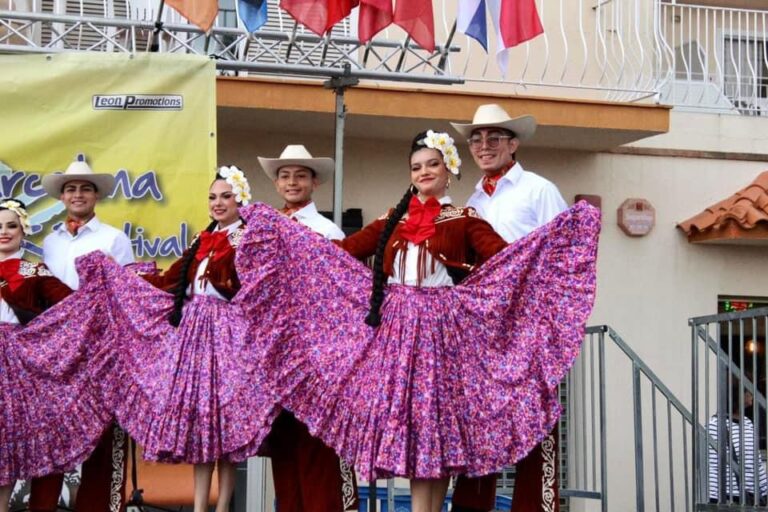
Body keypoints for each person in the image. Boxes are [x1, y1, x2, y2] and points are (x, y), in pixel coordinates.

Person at [233, 131, 599, 512]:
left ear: (448, 170)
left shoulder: (464, 218)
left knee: (434, 429)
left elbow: (505, 260)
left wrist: (558, 242)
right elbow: (341, 253)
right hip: (398, 332)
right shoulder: (393, 219)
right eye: (416, 167)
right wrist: (283, 238)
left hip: (439, 331)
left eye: (432, 164)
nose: (424, 172)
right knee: (408, 428)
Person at [449, 104, 568, 512]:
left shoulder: (539, 189)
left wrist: (550, 327)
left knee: (537, 426)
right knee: (479, 425)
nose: (484, 146)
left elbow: (561, 260)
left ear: (513, 144)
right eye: (477, 139)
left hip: (528, 327)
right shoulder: (469, 200)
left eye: (494, 137)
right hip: (482, 330)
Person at [258, 145, 357, 511]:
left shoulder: (325, 230)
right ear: (276, 182)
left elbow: (339, 294)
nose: (292, 182)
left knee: (319, 453)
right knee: (284, 453)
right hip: (278, 354)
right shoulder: (265, 228)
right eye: (285, 176)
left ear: (314, 182)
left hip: (316, 356)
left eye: (300, 175)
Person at [36, 154, 135, 512]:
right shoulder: (50, 242)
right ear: (62, 197)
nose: (78, 194)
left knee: (105, 434)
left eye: (85, 189)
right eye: (71, 189)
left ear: (96, 196)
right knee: (51, 431)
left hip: (99, 348)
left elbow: (125, 296)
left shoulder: (115, 239)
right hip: (58, 350)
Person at [0, 199, 110, 512]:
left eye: (11, 225)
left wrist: (104, 286)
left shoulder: (34, 271)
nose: (4, 232)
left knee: (5, 443)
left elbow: (72, 305)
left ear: (23, 231)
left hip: (17, 366)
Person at [708, 374, 768, 504]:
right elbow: (713, 465)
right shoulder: (715, 424)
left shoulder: (747, 423)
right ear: (739, 394)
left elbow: (755, 461)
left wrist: (764, 492)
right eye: (750, 390)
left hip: (751, 498)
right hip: (728, 497)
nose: (753, 394)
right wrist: (716, 499)